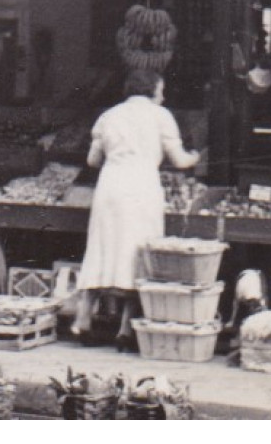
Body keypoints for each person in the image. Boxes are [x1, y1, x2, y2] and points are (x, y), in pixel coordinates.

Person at [72, 69, 201, 349]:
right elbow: (179, 160)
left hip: (111, 184)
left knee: (101, 249)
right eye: (161, 90)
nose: (163, 95)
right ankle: (124, 329)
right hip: (142, 185)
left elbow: (93, 160)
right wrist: (196, 157)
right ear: (153, 90)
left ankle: (83, 320)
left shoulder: (109, 116)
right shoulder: (160, 115)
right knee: (137, 252)